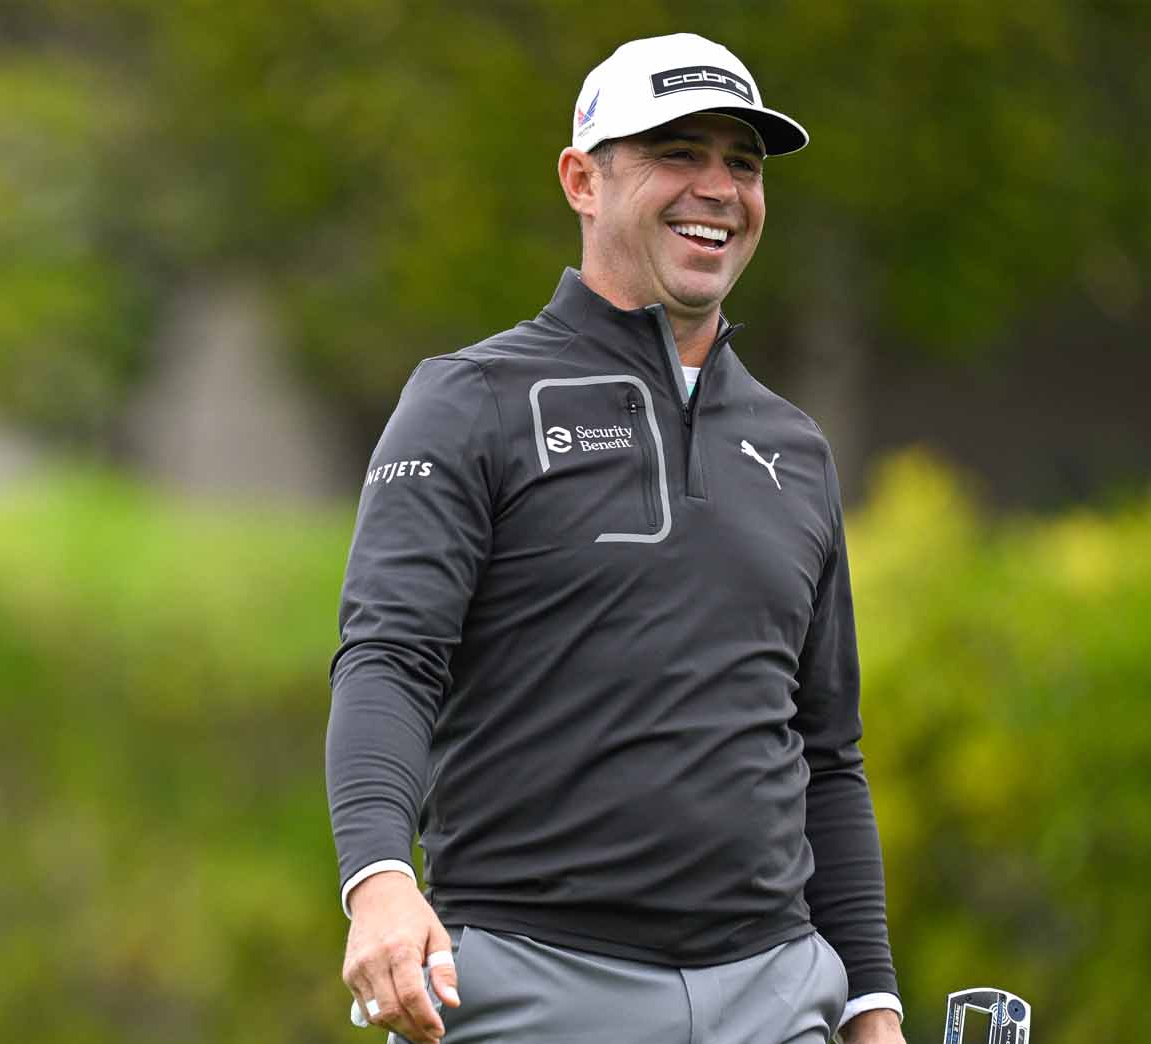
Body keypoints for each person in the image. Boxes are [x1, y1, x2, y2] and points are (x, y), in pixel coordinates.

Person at [325, 33, 905, 1044]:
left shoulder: (792, 447)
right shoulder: (470, 400)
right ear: (581, 180)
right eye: (676, 153)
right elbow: (388, 659)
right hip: (532, 984)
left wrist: (869, 1003)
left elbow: (824, 754)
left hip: (772, 992)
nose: (716, 188)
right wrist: (375, 880)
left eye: (743, 163)